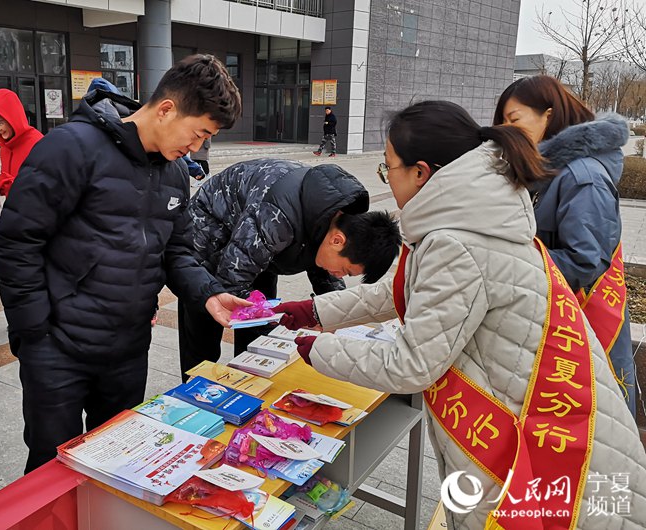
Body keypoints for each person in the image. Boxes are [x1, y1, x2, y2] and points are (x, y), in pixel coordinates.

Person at [275, 101, 646, 529]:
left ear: (421, 172)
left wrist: (317, 348)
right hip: (548, 417)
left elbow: (411, 366)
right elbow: (402, 291)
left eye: (387, 167)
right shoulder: (469, 217)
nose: (386, 177)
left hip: (536, 436)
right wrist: (314, 308)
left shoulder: (455, 240)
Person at [0, 54, 247, 473]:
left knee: (116, 464)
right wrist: (34, 331)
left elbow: (176, 251)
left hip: (127, 350)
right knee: (51, 469)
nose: (196, 147)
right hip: (58, 348)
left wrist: (208, 292)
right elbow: (16, 243)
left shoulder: (175, 172)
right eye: (198, 133)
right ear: (167, 109)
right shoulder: (71, 147)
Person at [494, 75, 637, 416]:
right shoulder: (546, 169)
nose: (505, 129)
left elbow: (586, 261)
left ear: (549, 114)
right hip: (553, 319)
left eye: (514, 120)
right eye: (501, 122)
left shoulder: (581, 175)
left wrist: (506, 260)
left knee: (586, 430)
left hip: (579, 323)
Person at [178, 158, 400, 377]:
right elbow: (231, 280)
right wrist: (276, 327)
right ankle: (191, 395)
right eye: (346, 271)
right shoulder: (277, 216)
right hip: (208, 239)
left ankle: (248, 384)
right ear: (337, 241)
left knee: (257, 336)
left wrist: (334, 320)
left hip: (255, 247)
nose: (339, 275)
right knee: (206, 329)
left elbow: (326, 279)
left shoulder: (333, 217)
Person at [0, 88, 44, 196]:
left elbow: (41, 183)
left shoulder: (37, 142)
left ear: (12, 118)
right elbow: (10, 181)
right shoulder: (5, 147)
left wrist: (2, 183)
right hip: (15, 209)